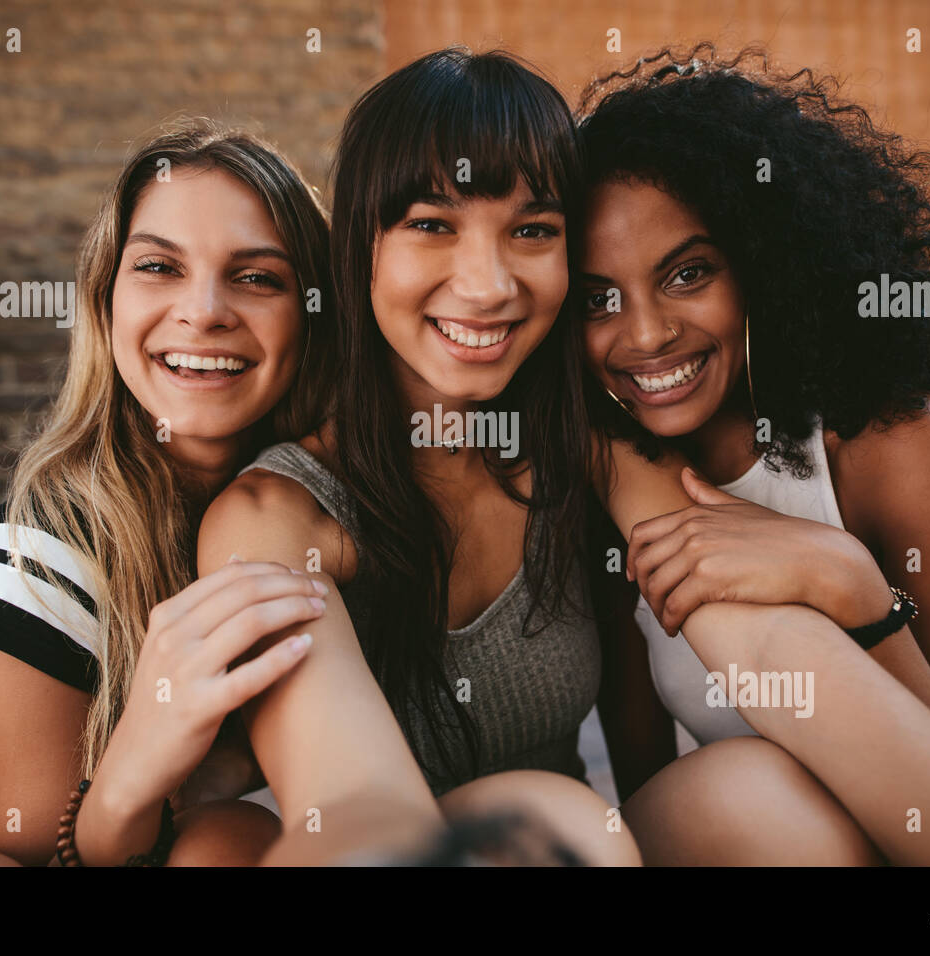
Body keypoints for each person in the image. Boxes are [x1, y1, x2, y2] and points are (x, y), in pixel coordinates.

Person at [575, 44, 930, 864]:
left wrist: (853, 587)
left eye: (689, 274)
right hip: (765, 844)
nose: (647, 334)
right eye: (597, 298)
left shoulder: (901, 447)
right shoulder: (612, 472)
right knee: (748, 788)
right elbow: (643, 767)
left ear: (764, 268)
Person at [199, 48, 641, 866]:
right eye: (432, 225)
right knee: (555, 818)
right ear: (358, 249)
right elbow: (346, 803)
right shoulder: (274, 518)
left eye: (533, 230)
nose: (487, 285)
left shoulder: (584, 450)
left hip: (587, 848)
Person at [0, 118, 336, 866]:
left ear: (315, 318)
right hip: (15, 857)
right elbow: (33, 846)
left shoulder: (318, 515)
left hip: (194, 841)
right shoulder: (42, 547)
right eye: (160, 267)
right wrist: (145, 763)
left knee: (235, 843)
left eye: (258, 276)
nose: (204, 311)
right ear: (104, 302)